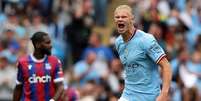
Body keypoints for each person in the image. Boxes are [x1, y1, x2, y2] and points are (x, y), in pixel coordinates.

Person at [114, 5, 172, 101]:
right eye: (117, 17)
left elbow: (166, 66)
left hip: (149, 96)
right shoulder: (118, 42)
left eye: (124, 17)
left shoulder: (146, 40)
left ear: (132, 19)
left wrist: (164, 94)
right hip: (128, 95)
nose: (120, 19)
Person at [13, 32, 64, 101]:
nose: (51, 45)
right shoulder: (22, 63)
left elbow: (60, 87)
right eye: (47, 43)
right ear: (37, 45)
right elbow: (18, 87)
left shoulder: (55, 61)